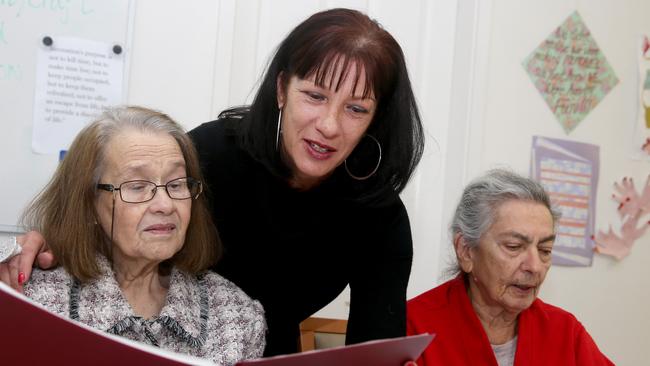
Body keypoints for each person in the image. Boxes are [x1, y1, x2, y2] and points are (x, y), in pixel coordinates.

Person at [3, 8, 424, 356]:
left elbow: (373, 350)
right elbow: (124, 208)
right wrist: (50, 242)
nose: (329, 126)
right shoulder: (210, 154)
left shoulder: (379, 217)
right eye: (314, 96)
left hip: (250, 343)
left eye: (355, 109)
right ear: (282, 89)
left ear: (376, 118)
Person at [18, 106, 266, 366]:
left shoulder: (237, 315)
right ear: (90, 202)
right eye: (137, 186)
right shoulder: (34, 302)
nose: (166, 204)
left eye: (176, 184)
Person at [406, 169, 614, 365]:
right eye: (514, 247)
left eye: (545, 250)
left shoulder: (565, 332)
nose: (534, 267)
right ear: (466, 250)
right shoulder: (413, 327)